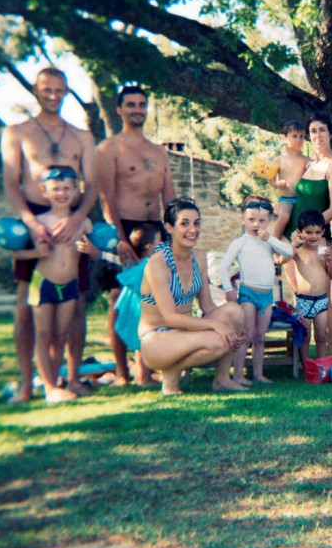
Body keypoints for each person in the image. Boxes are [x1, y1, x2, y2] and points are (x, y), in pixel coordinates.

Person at [0, 67, 98, 394]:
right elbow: (11, 185)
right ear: (35, 90)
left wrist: (76, 218)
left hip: (70, 219)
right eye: (47, 89)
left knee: (76, 303)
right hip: (34, 222)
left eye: (59, 89)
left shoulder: (81, 136)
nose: (53, 95)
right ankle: (28, 385)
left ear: (67, 91)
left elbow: (93, 186)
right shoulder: (16, 133)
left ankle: (69, 379)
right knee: (25, 308)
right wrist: (29, 221)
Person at [96, 85, 175, 385]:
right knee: (119, 298)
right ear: (119, 109)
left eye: (142, 104)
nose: (137, 109)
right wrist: (119, 239)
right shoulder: (109, 149)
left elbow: (169, 197)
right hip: (123, 229)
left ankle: (145, 368)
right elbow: (106, 198)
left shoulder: (159, 152)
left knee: (151, 300)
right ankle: (121, 372)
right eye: (130, 104)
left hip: (155, 230)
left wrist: (176, 232)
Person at [138, 197, 247, 394]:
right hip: (157, 338)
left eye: (196, 223)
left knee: (234, 311)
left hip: (185, 332)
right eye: (184, 224)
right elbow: (170, 317)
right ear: (169, 228)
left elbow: (207, 306)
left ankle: (222, 379)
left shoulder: (199, 257)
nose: (193, 229)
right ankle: (171, 374)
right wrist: (217, 326)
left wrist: (232, 328)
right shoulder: (158, 264)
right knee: (218, 341)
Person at [10, 167, 93, 402]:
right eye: (56, 189)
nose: (62, 193)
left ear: (77, 191)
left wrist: (91, 250)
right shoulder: (38, 222)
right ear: (44, 192)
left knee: (60, 335)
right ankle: (48, 387)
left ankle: (55, 383)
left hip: (70, 286)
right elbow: (16, 254)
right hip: (43, 284)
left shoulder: (83, 223)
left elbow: (97, 254)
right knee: (44, 335)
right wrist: (36, 252)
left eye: (67, 188)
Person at [288, 112, 332, 355]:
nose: (318, 135)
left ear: (330, 133)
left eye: (322, 130)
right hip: (295, 238)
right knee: (299, 297)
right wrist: (295, 235)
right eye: (313, 131)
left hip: (319, 236)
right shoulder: (307, 164)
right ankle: (300, 360)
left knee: (325, 298)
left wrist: (312, 232)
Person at [220, 196, 294, 386]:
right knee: (247, 335)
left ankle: (259, 375)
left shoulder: (268, 241)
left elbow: (289, 252)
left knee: (260, 337)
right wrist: (228, 289)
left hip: (267, 295)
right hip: (248, 295)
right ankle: (238, 375)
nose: (256, 224)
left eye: (262, 220)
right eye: (251, 219)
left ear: (268, 221)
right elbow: (223, 267)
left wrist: (270, 238)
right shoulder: (240, 243)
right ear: (243, 220)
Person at [282, 208, 332, 368]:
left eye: (317, 232)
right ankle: (306, 366)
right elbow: (282, 260)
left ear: (323, 232)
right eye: (309, 232)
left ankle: (320, 367)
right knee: (305, 336)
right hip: (304, 301)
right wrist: (294, 244)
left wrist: (330, 261)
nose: (313, 236)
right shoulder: (298, 251)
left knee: (321, 336)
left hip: (321, 301)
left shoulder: (324, 251)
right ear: (300, 232)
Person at [111, 221, 163, 387]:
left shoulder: (135, 264)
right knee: (142, 344)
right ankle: (144, 378)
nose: (163, 245)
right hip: (141, 311)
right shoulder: (149, 265)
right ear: (149, 246)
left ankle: (143, 375)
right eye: (159, 242)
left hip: (133, 309)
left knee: (140, 345)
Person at [269, 120, 309, 240]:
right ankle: (274, 242)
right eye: (294, 136)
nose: (299, 139)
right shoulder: (278, 160)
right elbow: (271, 181)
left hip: (302, 199)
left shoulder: (307, 160)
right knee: (284, 216)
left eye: (302, 136)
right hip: (286, 199)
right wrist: (278, 183)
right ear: (285, 138)